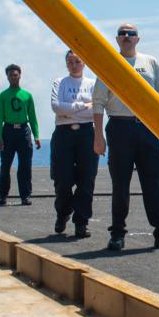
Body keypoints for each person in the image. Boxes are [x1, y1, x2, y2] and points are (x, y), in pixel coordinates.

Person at [93, 23, 159, 252]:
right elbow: (98, 103)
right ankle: (117, 234)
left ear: (138, 39)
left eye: (131, 34)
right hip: (119, 127)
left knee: (153, 183)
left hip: (147, 128)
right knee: (120, 184)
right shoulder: (109, 63)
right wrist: (98, 136)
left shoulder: (150, 63)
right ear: (117, 39)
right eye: (122, 34)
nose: (126, 36)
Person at [50, 50, 98, 238]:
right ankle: (63, 213)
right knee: (62, 179)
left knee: (87, 179)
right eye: (70, 62)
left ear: (84, 63)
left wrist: (69, 110)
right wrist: (82, 106)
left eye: (77, 61)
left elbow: (96, 110)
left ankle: (81, 222)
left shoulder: (93, 84)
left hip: (87, 133)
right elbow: (56, 107)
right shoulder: (59, 83)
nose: (74, 64)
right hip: (63, 133)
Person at [0, 64, 41, 206]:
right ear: (7, 77)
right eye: (11, 75)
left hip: (23, 131)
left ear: (20, 75)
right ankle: (3, 196)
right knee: (5, 166)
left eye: (16, 74)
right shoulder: (2, 96)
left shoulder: (27, 95)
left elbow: (32, 117)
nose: (13, 77)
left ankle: (25, 196)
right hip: (8, 131)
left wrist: (36, 135)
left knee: (25, 166)